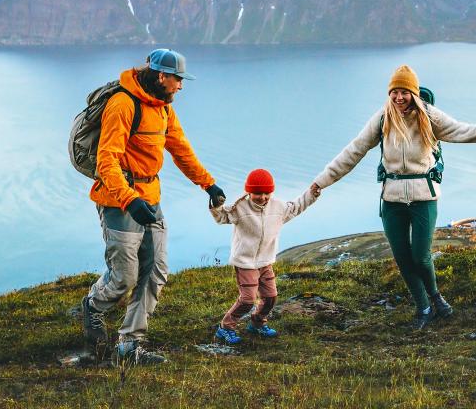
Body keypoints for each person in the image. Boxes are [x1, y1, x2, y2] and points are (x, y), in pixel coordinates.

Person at [311, 65, 476, 330]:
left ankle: (436, 297)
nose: (399, 98)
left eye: (404, 92)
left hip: (424, 198)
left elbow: (463, 131)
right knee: (402, 257)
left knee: (420, 256)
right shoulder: (382, 118)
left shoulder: (429, 116)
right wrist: (322, 181)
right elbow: (354, 151)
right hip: (392, 201)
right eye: (394, 92)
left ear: (414, 93)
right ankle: (424, 308)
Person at [81, 48, 225, 365]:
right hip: (120, 202)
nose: (181, 86)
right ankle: (93, 305)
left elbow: (181, 149)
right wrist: (129, 200)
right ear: (162, 76)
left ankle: (129, 347)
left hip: (151, 199)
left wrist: (208, 183)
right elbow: (107, 162)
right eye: (178, 79)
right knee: (124, 278)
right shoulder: (123, 104)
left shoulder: (162, 109)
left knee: (155, 272)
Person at [210, 169, 320, 344]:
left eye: (266, 193)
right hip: (245, 263)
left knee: (270, 298)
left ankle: (257, 323)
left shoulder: (278, 207)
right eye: (257, 193)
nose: (262, 197)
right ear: (249, 192)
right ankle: (225, 327)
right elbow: (221, 217)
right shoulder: (240, 207)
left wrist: (312, 194)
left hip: (265, 261)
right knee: (247, 300)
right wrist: (215, 205)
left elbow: (297, 206)